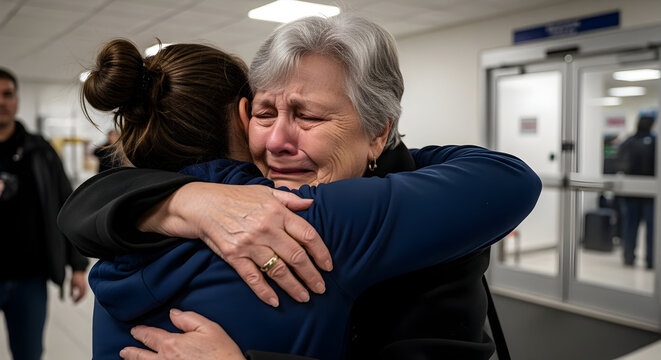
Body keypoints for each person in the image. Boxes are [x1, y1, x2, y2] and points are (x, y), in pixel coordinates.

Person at [58, 17, 540, 360]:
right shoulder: (288, 210)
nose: (278, 141)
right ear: (243, 118)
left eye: (309, 116)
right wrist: (187, 200)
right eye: (266, 114)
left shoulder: (436, 228)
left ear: (378, 131)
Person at [0, 67, 89, 360]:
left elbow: (67, 205)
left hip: (30, 277)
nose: (2, 101)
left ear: (17, 100)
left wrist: (77, 266)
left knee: (29, 353)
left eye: (7, 94)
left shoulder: (40, 151)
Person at [617, 111, 656, 269]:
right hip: (649, 194)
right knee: (651, 229)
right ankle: (651, 261)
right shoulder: (655, 142)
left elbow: (619, 165)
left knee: (630, 226)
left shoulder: (628, 142)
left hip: (631, 193)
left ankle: (628, 257)